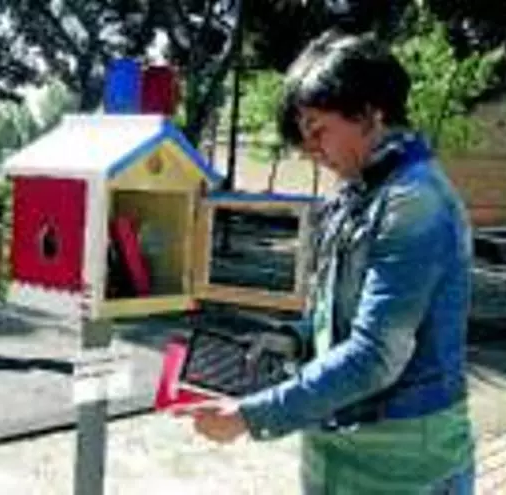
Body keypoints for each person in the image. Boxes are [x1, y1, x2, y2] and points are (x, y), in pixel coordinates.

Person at [173, 30, 476, 494]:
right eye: (304, 138)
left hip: (402, 465)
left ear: (370, 113)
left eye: (318, 131)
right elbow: (336, 318)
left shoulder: (414, 201)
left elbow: (375, 356)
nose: (312, 151)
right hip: (340, 453)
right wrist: (291, 339)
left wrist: (250, 416)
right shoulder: (361, 192)